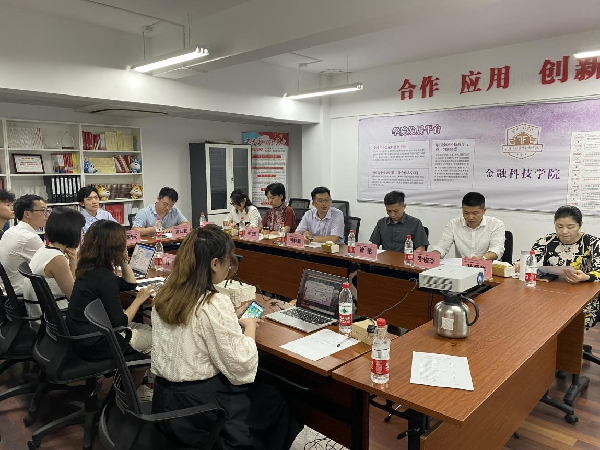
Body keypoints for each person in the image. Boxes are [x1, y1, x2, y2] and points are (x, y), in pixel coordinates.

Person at [151, 225, 303, 449]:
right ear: (214, 263)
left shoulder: (165, 294)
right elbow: (242, 367)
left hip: (164, 400)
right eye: (228, 260)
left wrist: (229, 317)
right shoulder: (213, 302)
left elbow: (193, 325)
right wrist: (249, 326)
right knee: (274, 398)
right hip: (199, 408)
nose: (229, 266)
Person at [67, 220, 152, 359]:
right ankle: (134, 371)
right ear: (115, 247)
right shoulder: (104, 278)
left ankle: (133, 368)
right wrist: (138, 300)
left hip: (83, 336)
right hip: (98, 342)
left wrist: (123, 261)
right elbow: (120, 322)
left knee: (148, 329)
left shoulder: (88, 268)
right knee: (158, 339)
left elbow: (130, 284)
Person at [521, 206, 600, 329]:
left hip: (582, 295)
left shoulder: (593, 243)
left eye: (570, 227)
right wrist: (520, 264)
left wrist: (586, 277)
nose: (564, 231)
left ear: (580, 225)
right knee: (531, 313)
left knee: (573, 324)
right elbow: (531, 258)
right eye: (559, 226)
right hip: (550, 293)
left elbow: (598, 271)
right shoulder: (547, 240)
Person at [24, 207, 85, 319]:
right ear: (71, 231)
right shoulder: (57, 259)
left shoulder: (45, 249)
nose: (82, 234)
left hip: (42, 314)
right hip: (54, 318)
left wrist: (72, 263)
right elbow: (74, 298)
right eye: (80, 229)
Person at [431, 192, 505, 260]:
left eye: (475, 213)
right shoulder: (453, 224)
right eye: (466, 213)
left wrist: (483, 258)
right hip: (462, 267)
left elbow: (497, 248)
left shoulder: (495, 224)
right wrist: (434, 255)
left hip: (487, 266)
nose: (470, 217)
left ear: (484, 211)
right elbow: (443, 246)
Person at [0, 194, 48, 295]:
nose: (47, 215)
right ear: (27, 214)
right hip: (24, 294)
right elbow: (53, 266)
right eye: (43, 210)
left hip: (9, 292)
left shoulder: (11, 230)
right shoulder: (29, 237)